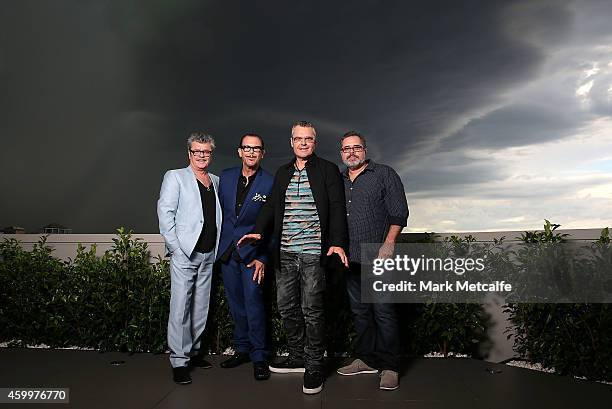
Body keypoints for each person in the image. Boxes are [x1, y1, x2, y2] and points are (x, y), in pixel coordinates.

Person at [238, 121, 349, 395]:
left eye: (308, 139)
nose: (303, 143)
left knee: (312, 310)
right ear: (291, 142)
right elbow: (271, 207)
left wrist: (336, 242)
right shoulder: (283, 172)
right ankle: (298, 355)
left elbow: (336, 207)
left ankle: (314, 366)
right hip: (285, 252)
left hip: (313, 252)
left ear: (314, 142)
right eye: (298, 139)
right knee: (286, 307)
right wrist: (257, 232)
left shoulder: (327, 170)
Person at [336, 131, 409, 391]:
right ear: (341, 152)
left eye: (356, 148)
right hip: (349, 257)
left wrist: (389, 242)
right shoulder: (339, 178)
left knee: (383, 311)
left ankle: (390, 366)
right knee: (360, 312)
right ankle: (367, 359)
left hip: (377, 254)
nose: (351, 152)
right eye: (346, 149)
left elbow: (400, 212)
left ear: (365, 150)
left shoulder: (384, 174)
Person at [157, 132, 222, 385]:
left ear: (211, 154)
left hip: (208, 254)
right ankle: (178, 361)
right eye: (197, 151)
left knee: (200, 307)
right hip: (185, 253)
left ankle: (193, 353)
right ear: (189, 153)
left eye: (206, 152)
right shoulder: (175, 177)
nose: (202, 156)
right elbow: (165, 214)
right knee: (180, 307)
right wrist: (176, 248)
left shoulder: (214, 180)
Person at [216, 133, 274, 381]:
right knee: (236, 303)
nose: (251, 152)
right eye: (247, 148)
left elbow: (273, 225)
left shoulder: (270, 183)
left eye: (256, 148)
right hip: (228, 252)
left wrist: (263, 257)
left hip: (253, 255)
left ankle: (259, 356)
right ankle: (241, 349)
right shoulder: (225, 177)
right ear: (239, 151)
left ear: (263, 153)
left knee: (254, 303)